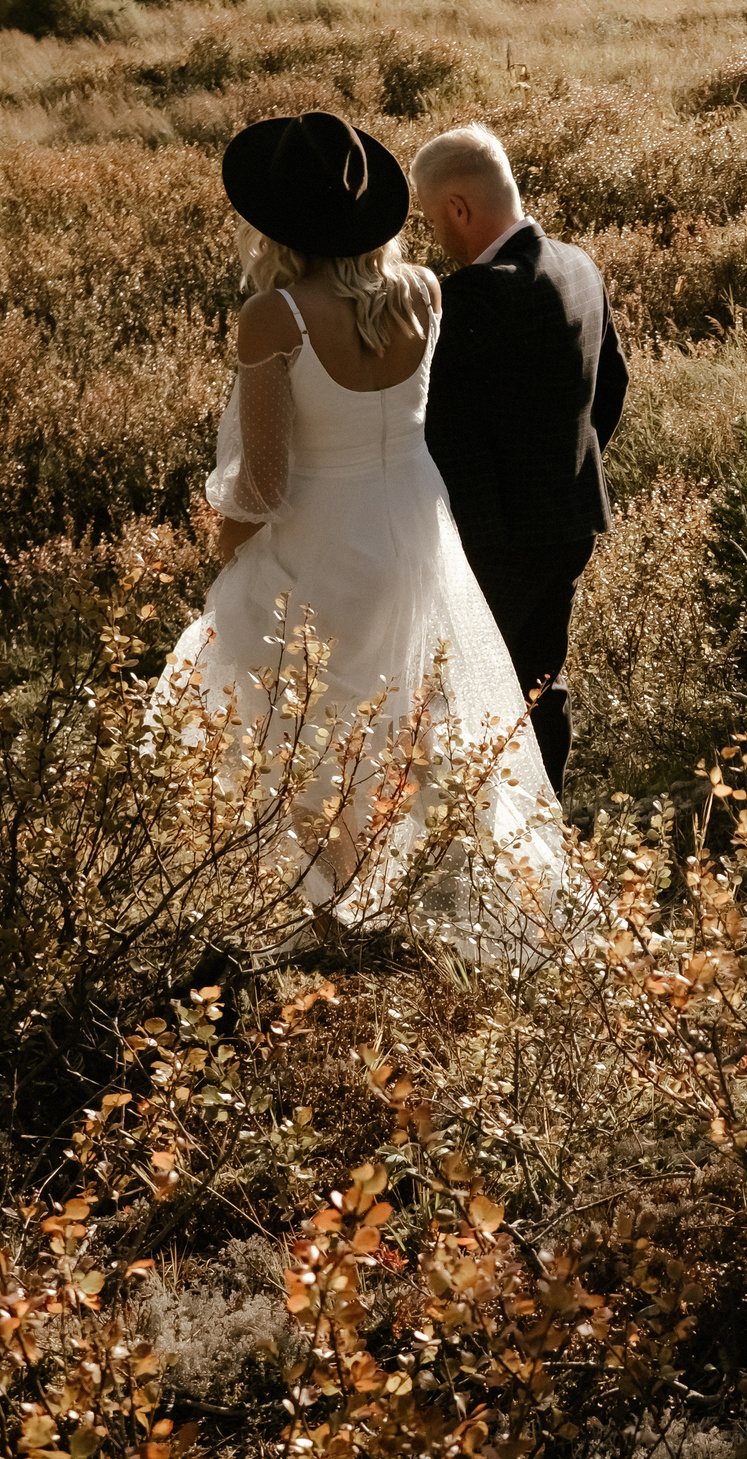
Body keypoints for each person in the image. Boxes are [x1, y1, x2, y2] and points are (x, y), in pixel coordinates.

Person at [157, 110, 570, 954]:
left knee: (297, 731)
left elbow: (264, 483)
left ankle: (338, 919)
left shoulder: (275, 315)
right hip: (415, 532)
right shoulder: (424, 290)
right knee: (401, 721)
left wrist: (225, 549)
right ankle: (388, 908)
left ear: (278, 222)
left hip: (323, 537)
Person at [410, 124, 628, 793]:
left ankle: (490, 825)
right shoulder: (580, 265)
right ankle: (548, 816)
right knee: (541, 684)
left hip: (496, 539)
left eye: (431, 219)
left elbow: (439, 429)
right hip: (570, 520)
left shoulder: (471, 297)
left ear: (458, 208)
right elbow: (612, 385)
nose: (434, 234)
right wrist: (564, 467)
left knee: (470, 689)